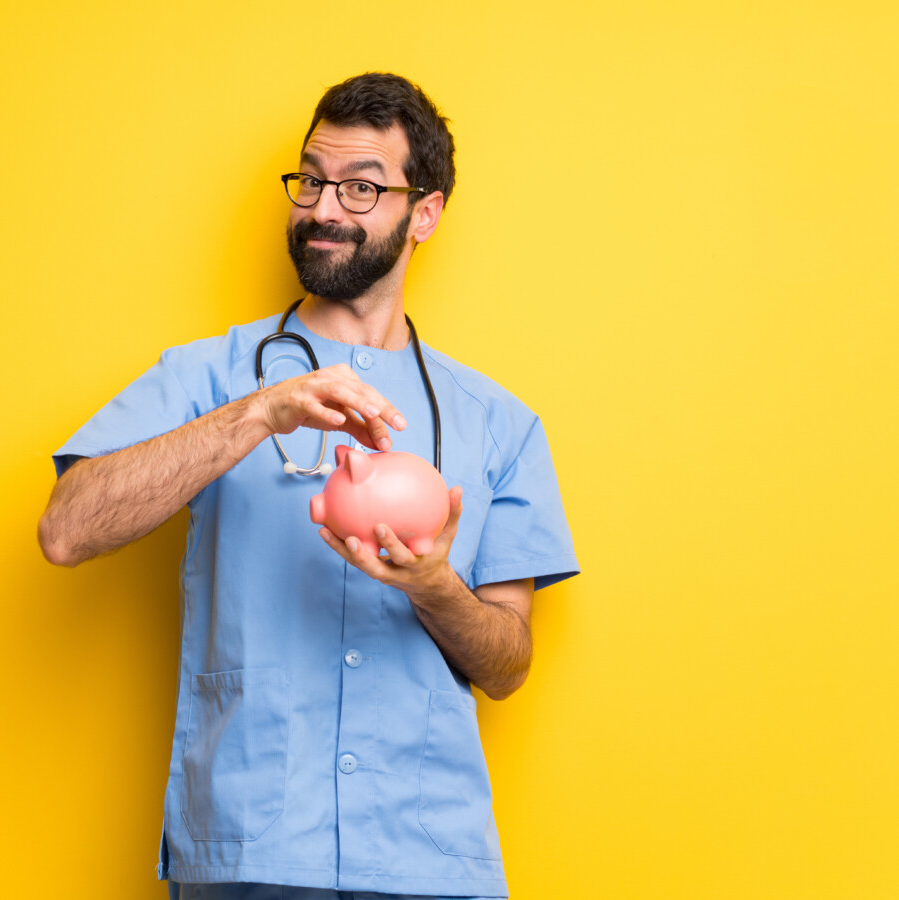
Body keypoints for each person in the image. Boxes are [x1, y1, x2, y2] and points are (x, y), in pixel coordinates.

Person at [39, 72, 579, 900]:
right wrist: (259, 412)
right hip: (250, 852)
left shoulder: (500, 423)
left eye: (363, 187)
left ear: (423, 213)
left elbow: (508, 663)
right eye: (313, 181)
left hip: (426, 859)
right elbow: (66, 529)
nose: (325, 208)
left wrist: (434, 586)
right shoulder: (212, 375)